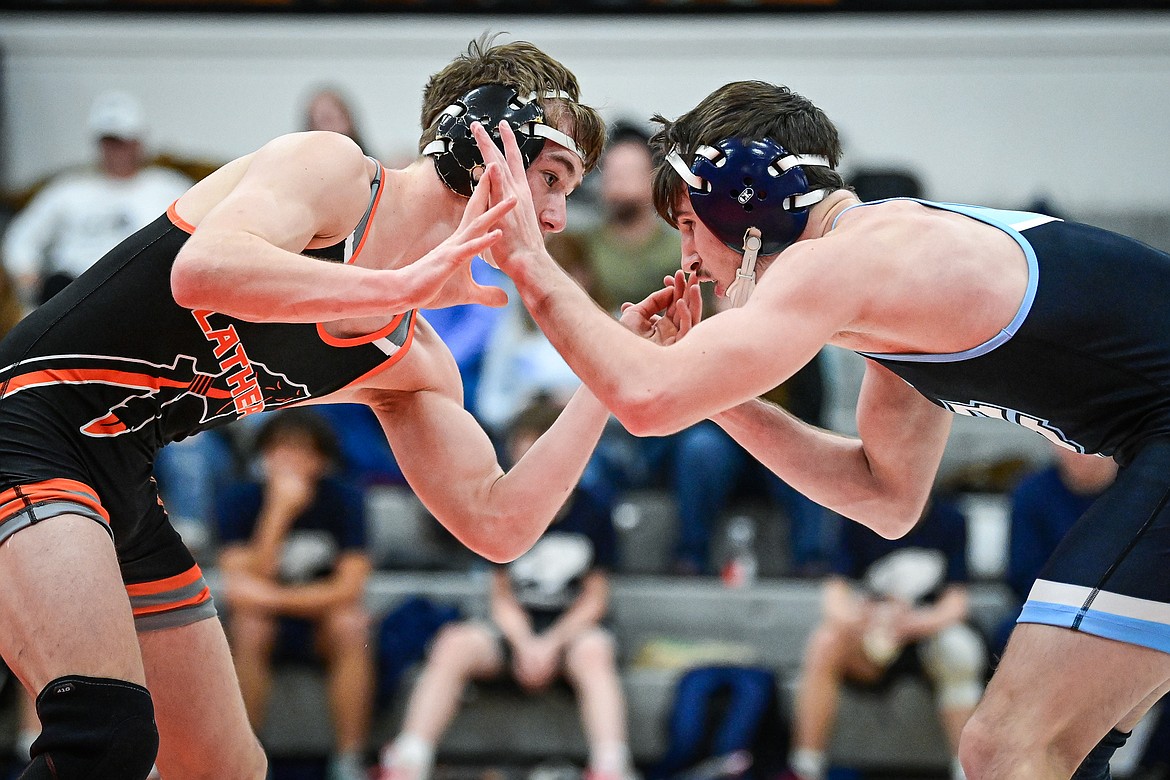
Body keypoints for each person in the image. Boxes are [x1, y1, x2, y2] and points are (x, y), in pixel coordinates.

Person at [0, 33, 697, 779]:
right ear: (482, 137)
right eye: (551, 177)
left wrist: (604, 378)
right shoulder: (334, 171)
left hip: (122, 483)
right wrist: (402, 285)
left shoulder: (412, 356)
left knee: (224, 771)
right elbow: (202, 271)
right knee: (101, 735)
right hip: (26, 426)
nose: (557, 218)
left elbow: (498, 525)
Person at [472, 79, 1170, 779]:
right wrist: (717, 395)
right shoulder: (888, 279)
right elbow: (885, 498)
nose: (686, 258)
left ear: (745, 198)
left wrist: (530, 263)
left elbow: (647, 404)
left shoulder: (844, 258)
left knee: (1007, 747)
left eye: (689, 223)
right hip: (1153, 442)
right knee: (1063, 749)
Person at [377, 398, 632, 780]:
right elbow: (500, 593)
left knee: (595, 652)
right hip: (514, 625)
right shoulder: (504, 501)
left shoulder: (594, 509)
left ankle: (611, 765)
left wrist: (552, 643)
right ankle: (410, 757)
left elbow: (595, 597)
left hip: (569, 630)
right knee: (453, 643)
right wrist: (525, 641)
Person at [215, 408, 373, 780]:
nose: (288, 460)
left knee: (350, 625)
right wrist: (278, 512)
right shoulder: (238, 500)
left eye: (301, 451)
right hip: (267, 621)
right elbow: (240, 584)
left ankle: (349, 762)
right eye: (279, 449)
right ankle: (244, 760)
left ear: (322, 460)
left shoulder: (345, 501)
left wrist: (271, 598)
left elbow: (349, 588)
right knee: (251, 626)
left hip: (320, 621)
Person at [788, 493, 986, 780]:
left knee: (960, 650)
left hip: (928, 632)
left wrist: (914, 622)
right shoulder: (856, 512)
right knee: (825, 642)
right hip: (874, 632)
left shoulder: (950, 519)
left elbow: (956, 602)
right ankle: (805, 767)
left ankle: (967, 771)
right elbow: (834, 595)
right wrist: (864, 618)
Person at [2, 90, 193, 305]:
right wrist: (27, 275)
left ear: (138, 141)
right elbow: (23, 236)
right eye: (109, 142)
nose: (115, 151)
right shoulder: (68, 190)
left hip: (142, 290)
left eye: (122, 142)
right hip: (74, 291)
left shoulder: (168, 187)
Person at [992, 444, 1117, 657]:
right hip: (1052, 607)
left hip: (1128, 606)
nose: (1081, 452)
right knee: (1009, 634)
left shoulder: (1147, 491)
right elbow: (1022, 573)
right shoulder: (1031, 492)